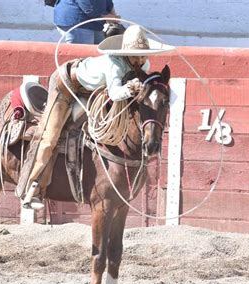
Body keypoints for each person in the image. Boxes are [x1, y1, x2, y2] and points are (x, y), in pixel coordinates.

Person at [16, 25, 174, 209]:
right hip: (66, 86)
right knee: (50, 136)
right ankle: (33, 186)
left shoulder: (143, 65)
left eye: (142, 55)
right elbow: (115, 94)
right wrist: (131, 88)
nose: (139, 60)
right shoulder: (114, 65)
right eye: (134, 55)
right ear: (124, 53)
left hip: (94, 89)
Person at [54, 0, 119, 44]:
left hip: (94, 21)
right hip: (78, 21)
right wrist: (107, 16)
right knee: (82, 58)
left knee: (99, 55)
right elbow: (89, 7)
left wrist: (113, 16)